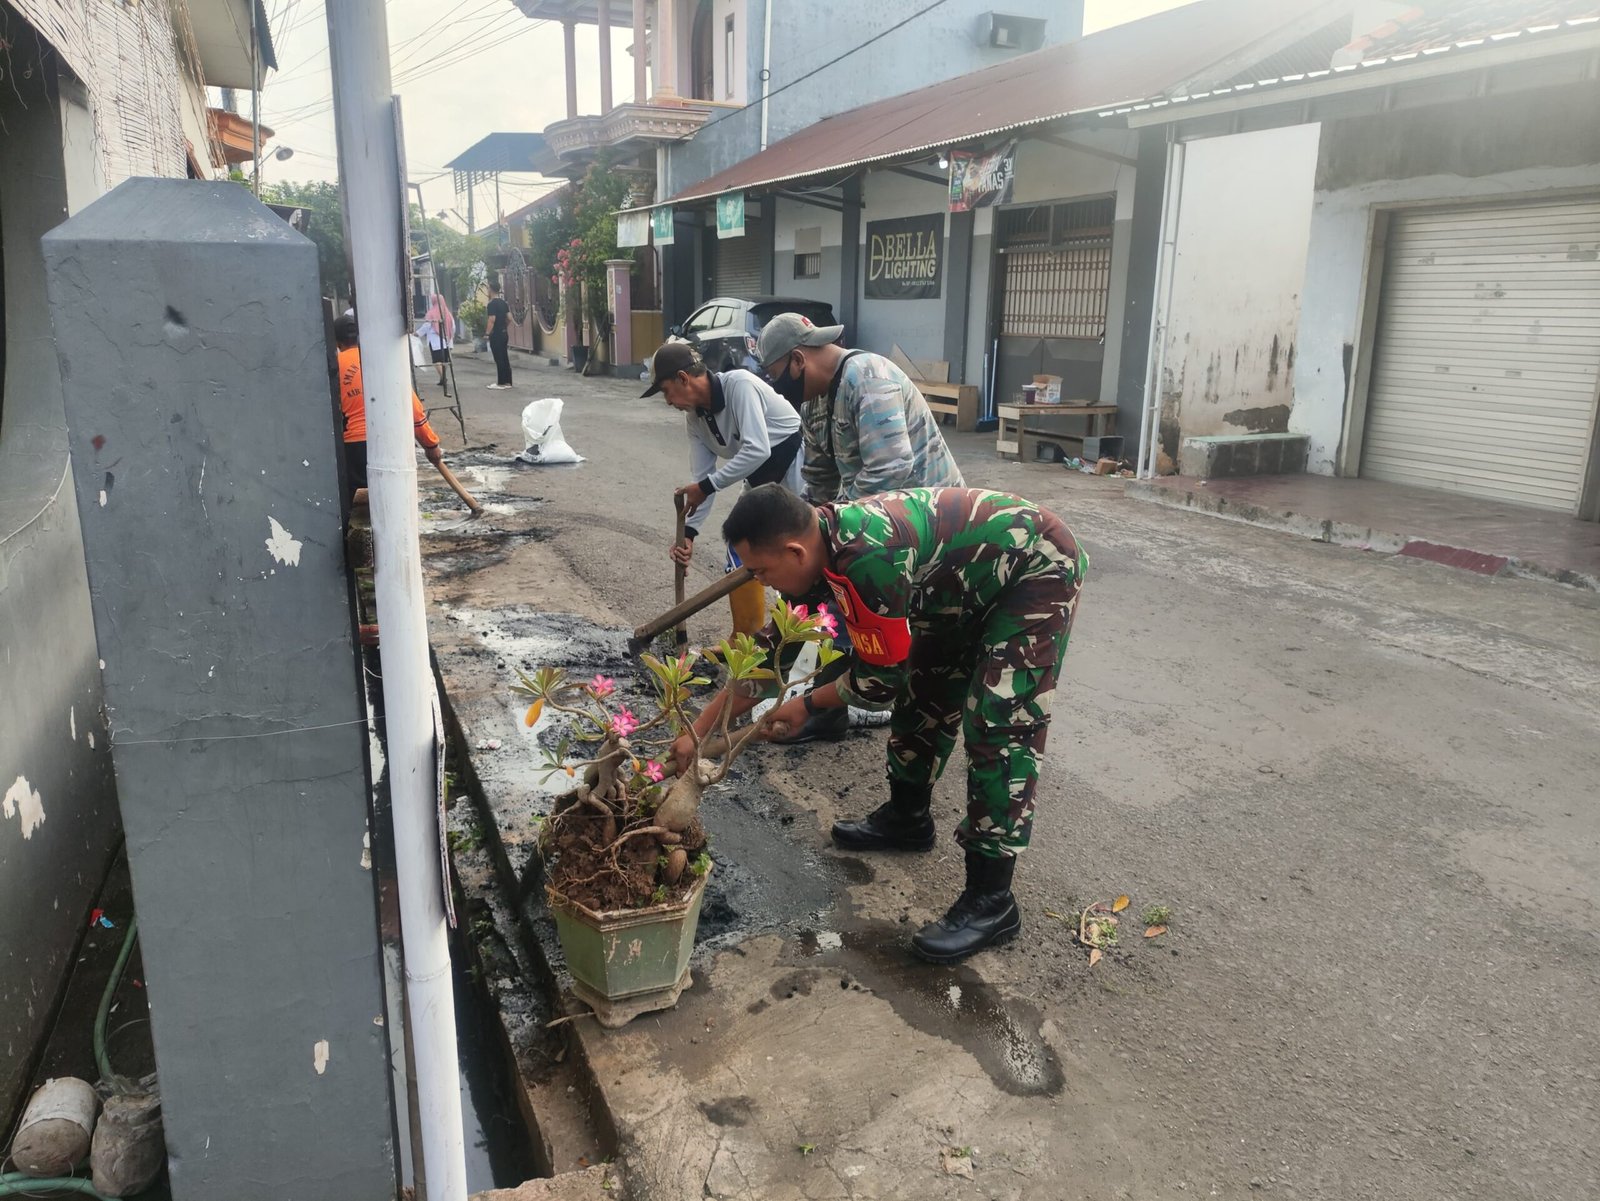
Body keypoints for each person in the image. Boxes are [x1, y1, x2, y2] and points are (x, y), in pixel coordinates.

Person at [670, 484, 1088, 964]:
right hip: (961, 587)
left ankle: (993, 902)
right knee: (925, 692)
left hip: (1034, 570)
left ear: (793, 550)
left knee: (1000, 723)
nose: (761, 583)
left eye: (762, 571)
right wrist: (697, 733)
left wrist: (806, 706)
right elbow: (772, 655)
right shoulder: (819, 554)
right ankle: (908, 820)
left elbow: (879, 681)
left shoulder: (868, 559)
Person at [642, 342, 804, 639]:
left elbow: (757, 448)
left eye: (665, 391)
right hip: (760, 473)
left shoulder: (739, 386)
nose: (667, 401)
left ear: (683, 378)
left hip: (794, 461)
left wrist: (705, 487)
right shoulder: (695, 420)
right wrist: (688, 534)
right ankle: (745, 638)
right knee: (740, 544)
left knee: (793, 548)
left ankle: (792, 635)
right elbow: (702, 480)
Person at [755, 313, 964, 504]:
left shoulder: (868, 378)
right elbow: (819, 481)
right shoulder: (812, 404)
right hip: (893, 517)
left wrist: (836, 517)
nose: (778, 388)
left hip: (938, 519)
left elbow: (890, 470)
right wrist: (799, 524)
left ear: (798, 360)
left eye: (775, 376)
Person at [334, 313, 444, 491]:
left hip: (355, 445)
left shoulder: (335, 366)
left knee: (360, 503)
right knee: (393, 494)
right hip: (391, 440)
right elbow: (412, 407)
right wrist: (431, 444)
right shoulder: (382, 361)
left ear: (337, 343)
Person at [417, 294, 455, 396]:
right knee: (444, 360)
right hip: (446, 340)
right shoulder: (447, 313)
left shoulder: (431, 313)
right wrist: (450, 336)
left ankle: (442, 376)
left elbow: (427, 326)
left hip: (435, 340)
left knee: (436, 360)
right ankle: (442, 377)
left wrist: (417, 333)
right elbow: (453, 326)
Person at [485, 282, 512, 389]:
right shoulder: (503, 303)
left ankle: (501, 382)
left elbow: (492, 319)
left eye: (488, 288)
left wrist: (487, 333)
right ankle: (508, 382)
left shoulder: (491, 304)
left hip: (496, 334)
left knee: (498, 358)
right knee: (504, 357)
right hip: (504, 332)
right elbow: (509, 318)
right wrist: (504, 325)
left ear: (491, 289)